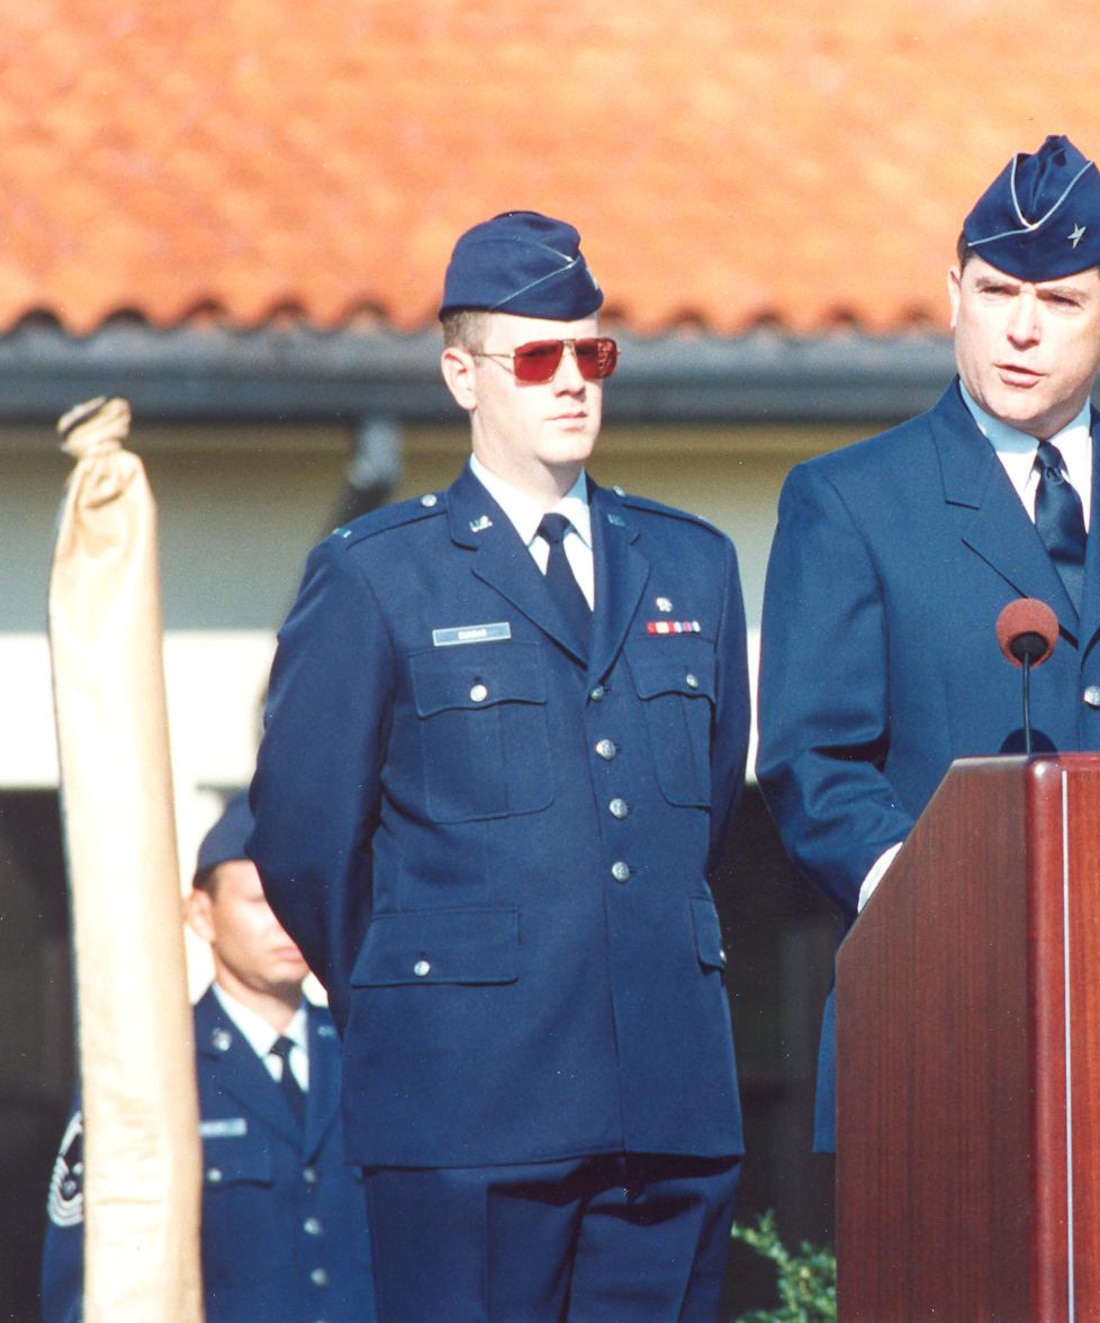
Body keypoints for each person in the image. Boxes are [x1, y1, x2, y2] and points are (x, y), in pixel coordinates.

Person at [248, 211, 751, 1322]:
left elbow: (701, 812)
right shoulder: (379, 576)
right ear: (462, 375)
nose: (571, 381)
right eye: (535, 356)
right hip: (463, 1109)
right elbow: (303, 839)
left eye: (592, 353)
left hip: (663, 1106)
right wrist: (424, 994)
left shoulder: (691, 562)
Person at [757, 135, 1100, 1151]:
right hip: (940, 1019)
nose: (1020, 330)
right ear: (951, 293)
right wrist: (937, 895)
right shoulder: (849, 503)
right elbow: (813, 766)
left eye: (1058, 304)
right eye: (997, 289)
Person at [42, 794, 375, 1323]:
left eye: (299, 898)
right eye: (261, 902)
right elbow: (86, 1277)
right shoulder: (152, 1068)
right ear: (202, 914)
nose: (286, 922)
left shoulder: (368, 1055)